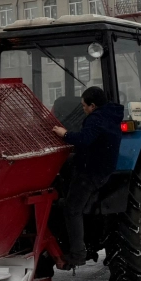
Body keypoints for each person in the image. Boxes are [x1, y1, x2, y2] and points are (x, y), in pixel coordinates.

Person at [51, 86, 123, 268]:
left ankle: (77, 254)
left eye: (83, 106)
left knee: (72, 209)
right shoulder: (111, 115)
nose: (82, 109)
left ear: (92, 106)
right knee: (68, 164)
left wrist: (64, 134)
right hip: (101, 167)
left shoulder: (96, 119)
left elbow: (84, 139)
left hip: (91, 171)